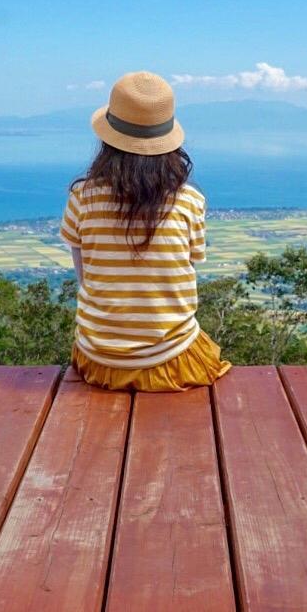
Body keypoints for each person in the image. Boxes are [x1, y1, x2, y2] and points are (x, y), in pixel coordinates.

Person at [59, 71, 232, 391]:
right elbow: (184, 274)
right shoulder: (190, 201)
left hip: (99, 362)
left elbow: (86, 279)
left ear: (108, 139)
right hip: (172, 362)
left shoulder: (82, 196)